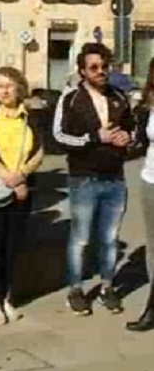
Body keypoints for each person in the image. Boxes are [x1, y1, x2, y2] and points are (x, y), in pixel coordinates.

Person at [53, 43, 134, 316]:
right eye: (94, 68)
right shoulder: (71, 99)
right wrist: (93, 138)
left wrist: (128, 139)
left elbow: (133, 131)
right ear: (82, 71)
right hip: (84, 178)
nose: (101, 72)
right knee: (81, 239)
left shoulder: (119, 97)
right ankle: (75, 290)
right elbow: (58, 137)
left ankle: (107, 288)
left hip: (115, 179)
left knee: (110, 238)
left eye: (104, 66)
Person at [0, 67, 44, 326]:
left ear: (19, 89)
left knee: (13, 247)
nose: (4, 90)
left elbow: (38, 151)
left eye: (10, 86)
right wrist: (8, 178)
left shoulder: (30, 118)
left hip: (21, 189)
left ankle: (7, 298)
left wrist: (21, 175)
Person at [127, 56, 154, 332]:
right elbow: (142, 142)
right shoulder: (150, 105)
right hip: (150, 180)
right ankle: (152, 306)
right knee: (153, 247)